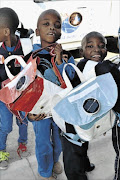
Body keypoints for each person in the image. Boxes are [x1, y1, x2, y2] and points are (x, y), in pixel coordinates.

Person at [27, 9, 75, 180]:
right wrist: (28, 113)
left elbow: (71, 80)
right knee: (43, 143)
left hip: (60, 109)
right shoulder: (30, 58)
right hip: (40, 111)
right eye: (46, 24)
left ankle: (55, 160)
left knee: (59, 140)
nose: (52, 28)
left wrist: (60, 60)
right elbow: (22, 88)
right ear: (37, 31)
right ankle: (45, 172)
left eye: (57, 25)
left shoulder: (67, 56)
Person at [67, 31, 120, 180]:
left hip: (85, 118)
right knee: (75, 154)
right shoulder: (97, 66)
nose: (96, 49)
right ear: (81, 51)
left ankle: (85, 165)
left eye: (101, 46)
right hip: (76, 121)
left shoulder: (86, 65)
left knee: (82, 146)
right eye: (90, 46)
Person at [0, 7, 31, 169]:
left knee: (23, 122)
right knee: (5, 126)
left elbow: (32, 68)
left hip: (22, 94)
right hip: (4, 96)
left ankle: (22, 144)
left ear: (6, 31)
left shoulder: (25, 46)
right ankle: (1, 151)